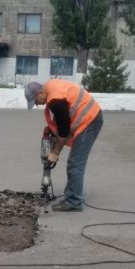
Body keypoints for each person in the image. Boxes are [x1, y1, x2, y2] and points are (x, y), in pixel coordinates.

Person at [25, 79, 103, 211]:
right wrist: (50, 130)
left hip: (90, 120)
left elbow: (64, 132)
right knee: (74, 162)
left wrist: (54, 153)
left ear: (40, 92)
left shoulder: (55, 99)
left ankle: (74, 202)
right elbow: (61, 120)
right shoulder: (52, 88)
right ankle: (71, 195)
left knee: (75, 163)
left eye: (36, 101)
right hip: (89, 118)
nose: (38, 104)